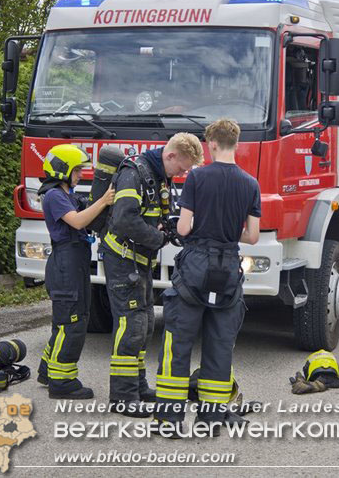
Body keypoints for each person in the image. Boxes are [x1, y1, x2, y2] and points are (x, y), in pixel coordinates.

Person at [153, 119, 260, 438]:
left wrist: (202, 228)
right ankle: (211, 417)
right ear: (236, 143)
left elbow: (183, 228)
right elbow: (252, 236)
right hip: (228, 267)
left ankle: (170, 420)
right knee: (220, 343)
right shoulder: (249, 183)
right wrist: (229, 232)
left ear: (211, 144)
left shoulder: (198, 177)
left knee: (179, 340)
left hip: (196, 265)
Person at [103, 132, 203, 417]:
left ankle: (138, 386)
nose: (182, 174)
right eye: (182, 168)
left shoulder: (158, 175)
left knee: (145, 322)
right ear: (170, 155)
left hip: (139, 260)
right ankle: (122, 396)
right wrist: (156, 238)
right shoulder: (134, 173)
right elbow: (123, 219)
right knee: (131, 324)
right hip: (123, 259)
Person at [37, 144, 114, 399]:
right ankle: (62, 382)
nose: (81, 174)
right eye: (77, 170)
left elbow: (89, 213)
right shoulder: (54, 196)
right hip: (65, 266)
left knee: (65, 322)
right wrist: (104, 200)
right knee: (72, 323)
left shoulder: (67, 194)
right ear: (63, 169)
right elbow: (79, 221)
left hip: (73, 264)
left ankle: (48, 371)